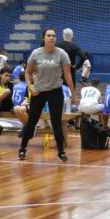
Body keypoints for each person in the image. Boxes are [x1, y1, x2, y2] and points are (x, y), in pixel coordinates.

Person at [18, 28, 77, 162]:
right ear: (43, 38)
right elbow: (27, 72)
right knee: (32, 122)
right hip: (38, 92)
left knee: (57, 123)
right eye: (49, 35)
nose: (51, 38)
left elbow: (68, 76)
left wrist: (74, 95)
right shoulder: (36, 53)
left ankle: (61, 152)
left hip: (55, 92)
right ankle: (22, 148)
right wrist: (30, 87)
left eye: (54, 36)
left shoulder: (62, 54)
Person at [13, 72, 32, 138]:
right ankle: (27, 127)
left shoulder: (15, 86)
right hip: (23, 106)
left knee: (18, 108)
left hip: (17, 105)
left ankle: (26, 127)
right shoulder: (27, 86)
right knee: (20, 109)